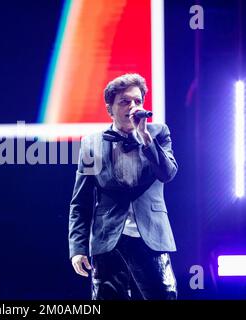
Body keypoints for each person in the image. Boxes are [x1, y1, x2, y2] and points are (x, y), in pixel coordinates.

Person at [68, 73, 178, 300]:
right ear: (110, 109)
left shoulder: (158, 133)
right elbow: (81, 201)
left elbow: (167, 173)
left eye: (137, 101)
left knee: (164, 295)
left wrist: (145, 138)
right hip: (108, 239)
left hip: (150, 236)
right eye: (125, 102)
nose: (133, 106)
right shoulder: (92, 143)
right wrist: (77, 249)